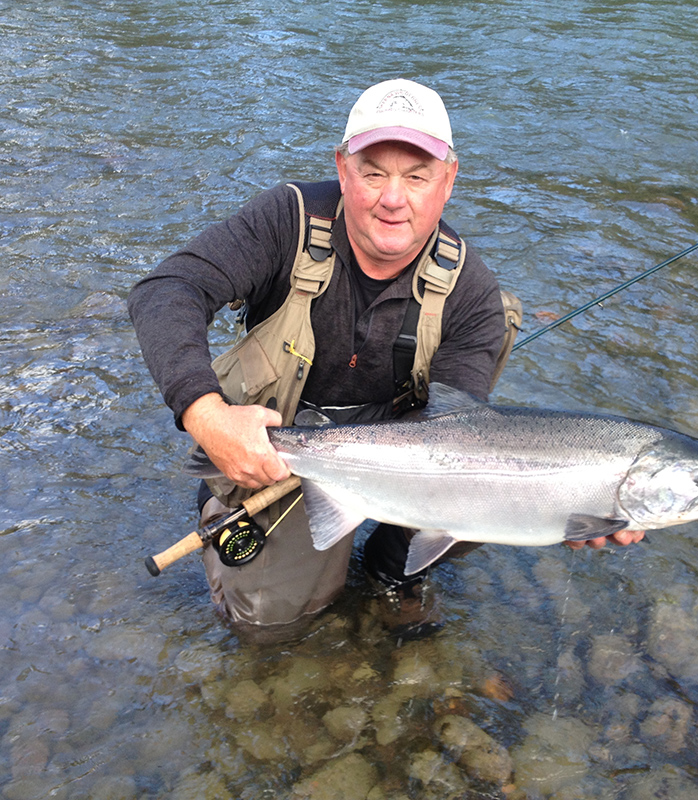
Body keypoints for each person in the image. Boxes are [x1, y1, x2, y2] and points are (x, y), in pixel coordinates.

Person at [128, 78, 641, 640]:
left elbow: (466, 437)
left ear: (449, 181)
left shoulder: (470, 292)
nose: (393, 198)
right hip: (278, 450)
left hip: (409, 453)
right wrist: (208, 416)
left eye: (417, 176)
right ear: (342, 169)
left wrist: (568, 507)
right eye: (373, 172)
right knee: (272, 626)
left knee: (504, 469)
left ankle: (392, 558)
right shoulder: (286, 221)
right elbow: (166, 290)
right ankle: (230, 491)